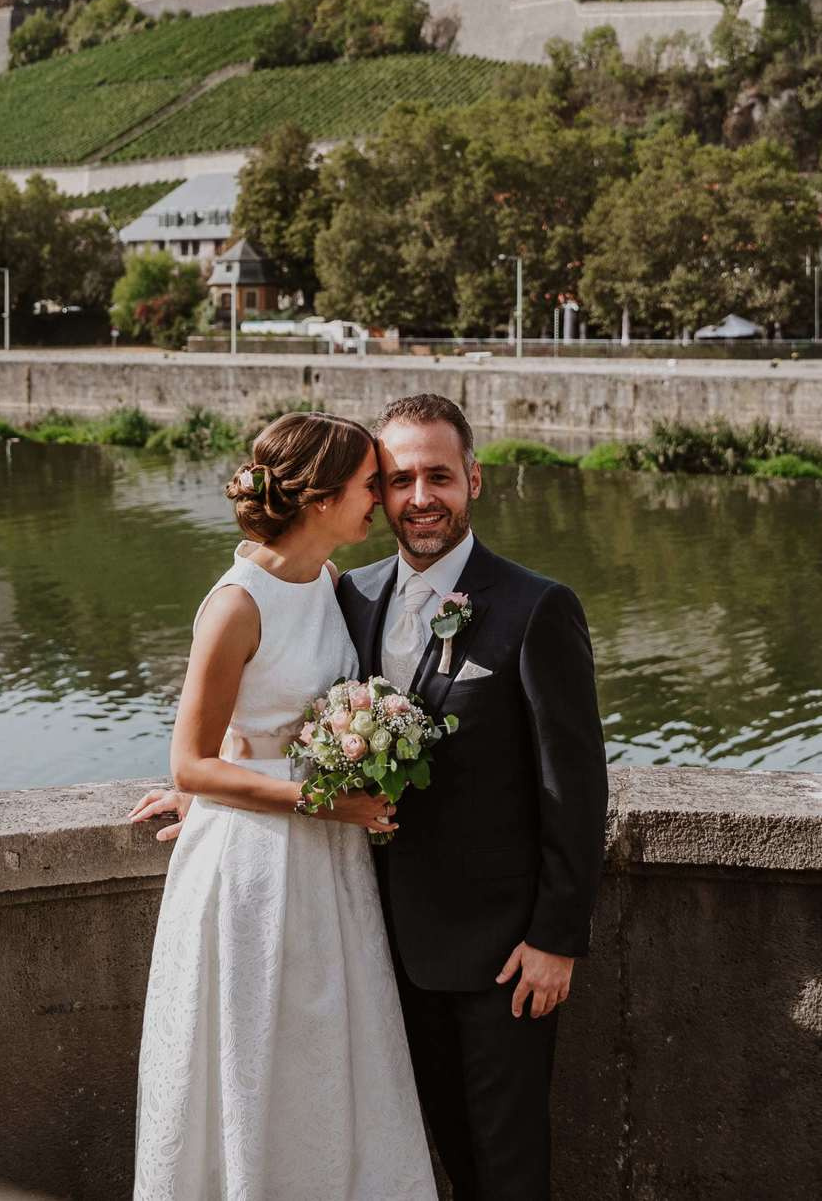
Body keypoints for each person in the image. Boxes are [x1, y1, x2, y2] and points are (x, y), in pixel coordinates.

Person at [133, 394, 608, 1200]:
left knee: (507, 1158)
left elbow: (577, 783)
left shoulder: (536, 607)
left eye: (439, 476)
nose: (419, 497)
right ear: (371, 493)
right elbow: (282, 717)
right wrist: (211, 800)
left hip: (498, 946)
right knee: (411, 1144)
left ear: (474, 480)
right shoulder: (344, 591)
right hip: (367, 930)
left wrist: (556, 937)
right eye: (397, 479)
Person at [129, 411, 436, 1201]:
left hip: (328, 868)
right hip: (256, 868)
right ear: (323, 496)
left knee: (331, 1057)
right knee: (256, 1060)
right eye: (373, 484)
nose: (385, 500)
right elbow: (189, 760)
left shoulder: (330, 583)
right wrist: (316, 798)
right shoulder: (236, 603)